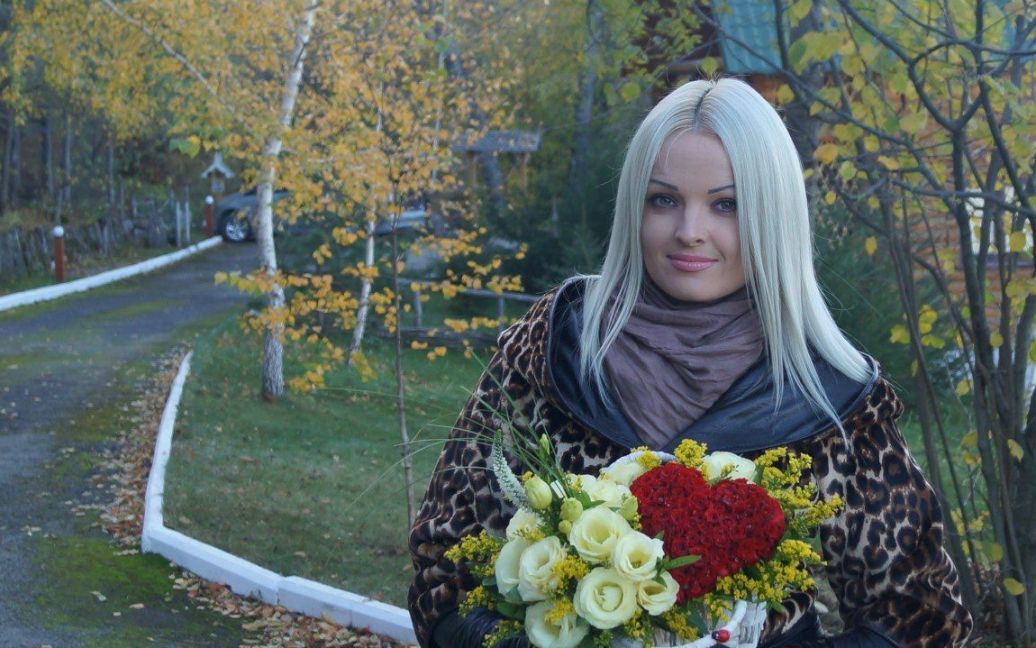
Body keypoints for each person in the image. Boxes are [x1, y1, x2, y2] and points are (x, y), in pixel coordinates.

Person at [407, 78, 973, 648]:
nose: (689, 232)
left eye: (726, 205)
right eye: (664, 199)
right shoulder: (553, 349)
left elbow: (922, 617)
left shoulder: (830, 394)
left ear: (771, 214)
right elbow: (442, 572)